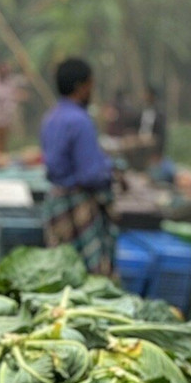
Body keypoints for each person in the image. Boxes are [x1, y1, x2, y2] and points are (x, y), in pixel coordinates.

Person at [39, 57, 116, 275]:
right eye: (90, 85)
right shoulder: (80, 121)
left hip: (56, 203)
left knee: (60, 270)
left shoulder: (51, 117)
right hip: (78, 207)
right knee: (88, 273)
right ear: (80, 86)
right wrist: (110, 174)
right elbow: (91, 175)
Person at [138, 85, 166, 155]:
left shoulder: (159, 113)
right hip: (141, 138)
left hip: (152, 140)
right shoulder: (143, 111)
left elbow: (161, 134)